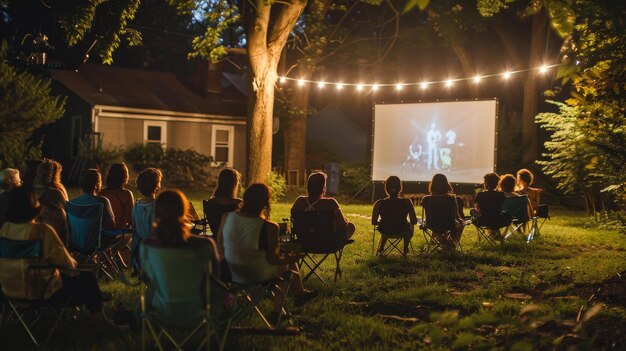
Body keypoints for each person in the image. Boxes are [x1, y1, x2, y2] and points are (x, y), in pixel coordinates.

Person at [0, 186, 114, 326]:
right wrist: (73, 260)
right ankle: (102, 323)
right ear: (33, 204)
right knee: (87, 278)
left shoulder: (5, 229)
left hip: (9, 291)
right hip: (38, 292)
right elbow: (68, 265)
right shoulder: (41, 231)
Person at [218, 184, 315, 315]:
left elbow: (220, 246)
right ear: (265, 203)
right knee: (286, 264)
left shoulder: (226, 217)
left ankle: (298, 296)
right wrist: (294, 258)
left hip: (228, 271)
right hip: (255, 274)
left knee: (285, 259)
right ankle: (278, 310)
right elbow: (273, 259)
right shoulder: (270, 227)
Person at [71, 169, 129, 249]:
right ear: (96, 185)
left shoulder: (72, 202)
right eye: (100, 181)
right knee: (128, 235)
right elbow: (112, 225)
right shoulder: (102, 201)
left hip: (76, 243)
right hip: (96, 244)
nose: (102, 183)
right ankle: (110, 257)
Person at [291, 172, 355, 239]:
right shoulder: (330, 203)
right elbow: (343, 225)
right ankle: (339, 244)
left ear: (308, 187)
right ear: (323, 188)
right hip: (327, 242)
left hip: (303, 241)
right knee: (351, 226)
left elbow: (293, 223)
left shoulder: (299, 202)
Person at [372, 176, 417, 255]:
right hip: (402, 230)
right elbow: (414, 221)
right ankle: (405, 248)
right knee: (409, 225)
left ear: (386, 188)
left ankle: (381, 248)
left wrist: (385, 222)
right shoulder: (407, 202)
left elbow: (373, 222)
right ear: (400, 188)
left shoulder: (379, 203)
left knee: (388, 224)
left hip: (385, 231)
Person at [420, 173, 465, 249]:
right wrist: (463, 222)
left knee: (433, 223)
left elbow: (425, 215)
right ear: (446, 184)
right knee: (461, 224)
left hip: (431, 225)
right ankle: (450, 243)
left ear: (432, 185)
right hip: (448, 224)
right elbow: (457, 217)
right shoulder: (451, 198)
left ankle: (439, 241)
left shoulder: (426, 198)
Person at [131, 168, 162, 271]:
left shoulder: (136, 206)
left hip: (141, 251)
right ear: (157, 186)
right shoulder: (158, 206)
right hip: (158, 250)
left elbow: (135, 232)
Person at [33, 160, 67, 240]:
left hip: (35, 231)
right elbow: (67, 212)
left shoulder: (29, 191)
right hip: (55, 233)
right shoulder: (58, 192)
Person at [204, 168, 243, 235]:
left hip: (215, 238)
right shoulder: (239, 203)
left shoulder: (210, 202)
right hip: (234, 239)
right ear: (234, 184)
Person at [99, 163, 134, 230]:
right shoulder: (126, 194)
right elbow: (131, 220)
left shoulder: (101, 193)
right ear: (124, 177)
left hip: (103, 233)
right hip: (118, 235)